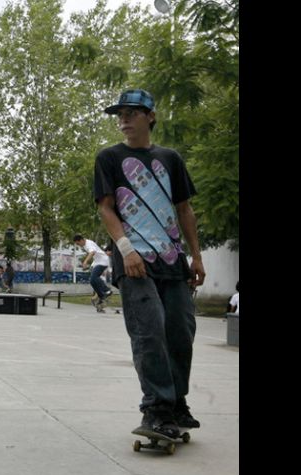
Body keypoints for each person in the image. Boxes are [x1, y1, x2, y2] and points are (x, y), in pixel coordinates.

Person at [94, 89, 206, 439]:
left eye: (132, 112)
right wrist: (126, 249)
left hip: (173, 260)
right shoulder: (109, 158)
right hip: (134, 261)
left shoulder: (170, 158)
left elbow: (184, 209)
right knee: (150, 331)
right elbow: (106, 208)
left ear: (150, 116)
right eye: (120, 114)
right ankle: (156, 409)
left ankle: (176, 404)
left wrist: (196, 255)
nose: (124, 119)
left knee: (181, 331)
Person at [74, 235, 113, 307]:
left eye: (78, 244)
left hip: (103, 261)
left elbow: (92, 252)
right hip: (97, 262)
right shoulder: (85, 244)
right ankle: (102, 296)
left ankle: (107, 290)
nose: (79, 246)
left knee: (94, 277)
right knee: (92, 281)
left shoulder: (88, 244)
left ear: (81, 240)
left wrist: (85, 261)